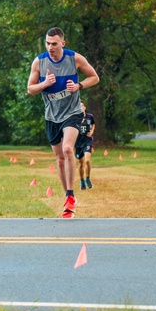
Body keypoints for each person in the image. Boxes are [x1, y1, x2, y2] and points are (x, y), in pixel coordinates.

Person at [27, 27, 99, 218]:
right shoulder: (39, 61)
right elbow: (30, 89)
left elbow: (95, 77)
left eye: (54, 43)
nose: (50, 47)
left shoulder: (74, 58)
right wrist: (45, 84)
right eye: (47, 43)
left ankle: (70, 196)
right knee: (59, 159)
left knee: (68, 149)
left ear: (62, 43)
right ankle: (67, 195)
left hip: (72, 113)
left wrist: (78, 86)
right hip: (51, 116)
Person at [75, 102, 96, 190]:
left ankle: (87, 178)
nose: (81, 107)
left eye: (82, 106)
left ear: (84, 107)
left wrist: (91, 131)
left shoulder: (90, 116)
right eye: (79, 106)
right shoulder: (75, 118)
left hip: (87, 141)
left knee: (87, 161)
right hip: (78, 143)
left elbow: (93, 124)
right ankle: (82, 181)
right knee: (80, 163)